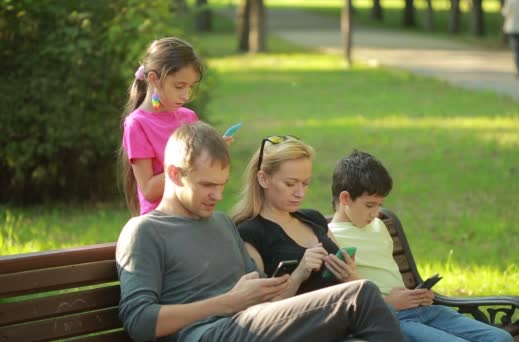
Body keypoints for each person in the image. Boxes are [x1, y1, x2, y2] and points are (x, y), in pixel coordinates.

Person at [116, 122, 406, 342]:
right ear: (174, 173)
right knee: (359, 295)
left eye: (222, 184)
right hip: (207, 333)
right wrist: (229, 302)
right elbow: (140, 322)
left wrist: (293, 281)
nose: (217, 196)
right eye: (207, 185)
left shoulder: (222, 224)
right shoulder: (145, 231)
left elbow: (266, 296)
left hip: (252, 322)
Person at [328, 150, 514, 342]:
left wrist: (416, 295)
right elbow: (344, 304)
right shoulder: (331, 238)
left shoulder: (378, 226)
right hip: (390, 319)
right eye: (370, 205)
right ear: (345, 198)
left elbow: (388, 277)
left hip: (423, 310)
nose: (376, 213)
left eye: (379, 205)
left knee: (501, 338)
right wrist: (387, 304)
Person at [232, 136, 364, 296]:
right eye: (290, 184)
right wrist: (299, 275)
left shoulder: (314, 218)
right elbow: (259, 311)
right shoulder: (250, 233)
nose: (300, 193)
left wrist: (351, 276)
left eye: (305, 183)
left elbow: (355, 282)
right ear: (263, 179)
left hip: (348, 308)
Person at [120, 37, 202, 216]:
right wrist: (193, 164)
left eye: (190, 87)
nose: (186, 95)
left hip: (192, 215)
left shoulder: (189, 117)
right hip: (160, 222)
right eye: (179, 86)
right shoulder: (137, 124)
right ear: (153, 79)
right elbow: (149, 190)